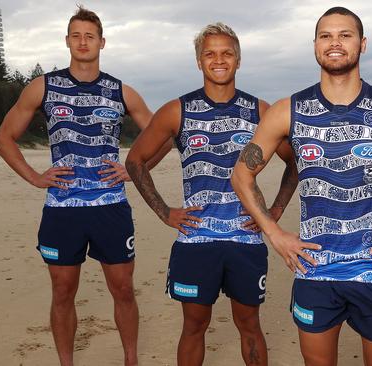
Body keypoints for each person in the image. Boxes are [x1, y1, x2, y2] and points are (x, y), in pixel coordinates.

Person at [231, 7, 372, 366]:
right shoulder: (287, 111)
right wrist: (274, 233)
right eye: (325, 36)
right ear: (315, 46)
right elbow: (241, 176)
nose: (334, 42)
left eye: (345, 35)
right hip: (314, 269)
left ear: (362, 44)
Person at [0, 6, 164, 366]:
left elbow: (161, 137)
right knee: (62, 291)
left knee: (122, 290)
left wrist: (133, 171)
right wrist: (35, 177)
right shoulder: (43, 86)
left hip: (110, 208)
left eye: (90, 35)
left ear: (102, 42)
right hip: (62, 209)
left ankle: (130, 360)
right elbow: (4, 137)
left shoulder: (120, 91)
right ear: (67, 41)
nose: (83, 41)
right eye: (76, 35)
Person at [125, 23, 298, 366]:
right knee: (194, 326)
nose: (219, 60)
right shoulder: (179, 110)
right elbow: (135, 161)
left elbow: (296, 163)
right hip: (195, 242)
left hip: (245, 241)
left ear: (238, 59)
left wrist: (274, 210)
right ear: (198, 61)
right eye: (210, 54)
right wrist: (165, 212)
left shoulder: (259, 111)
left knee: (249, 325)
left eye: (226, 53)